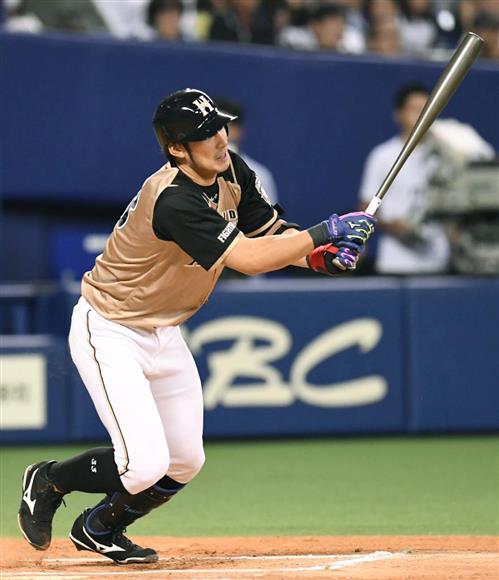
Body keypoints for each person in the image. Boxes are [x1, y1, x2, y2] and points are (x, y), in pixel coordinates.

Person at [17, 88, 376, 565]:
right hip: (111, 327)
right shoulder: (173, 199)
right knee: (142, 465)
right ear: (177, 148)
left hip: (164, 330)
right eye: (205, 134)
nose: (220, 139)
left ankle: (100, 526)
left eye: (219, 127)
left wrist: (317, 258)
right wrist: (328, 231)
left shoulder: (232, 170)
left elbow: (270, 236)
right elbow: (248, 260)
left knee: (186, 460)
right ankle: (48, 480)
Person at [359, 84, 450, 275]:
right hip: (396, 262)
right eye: (415, 110)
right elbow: (366, 210)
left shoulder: (447, 156)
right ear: (398, 114)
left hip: (438, 261)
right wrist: (390, 224)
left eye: (428, 109)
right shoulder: (382, 156)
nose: (423, 116)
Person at [215, 97, 279, 205]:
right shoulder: (192, 172)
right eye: (215, 128)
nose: (220, 134)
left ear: (239, 130)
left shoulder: (259, 176)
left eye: (227, 126)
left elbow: (270, 214)